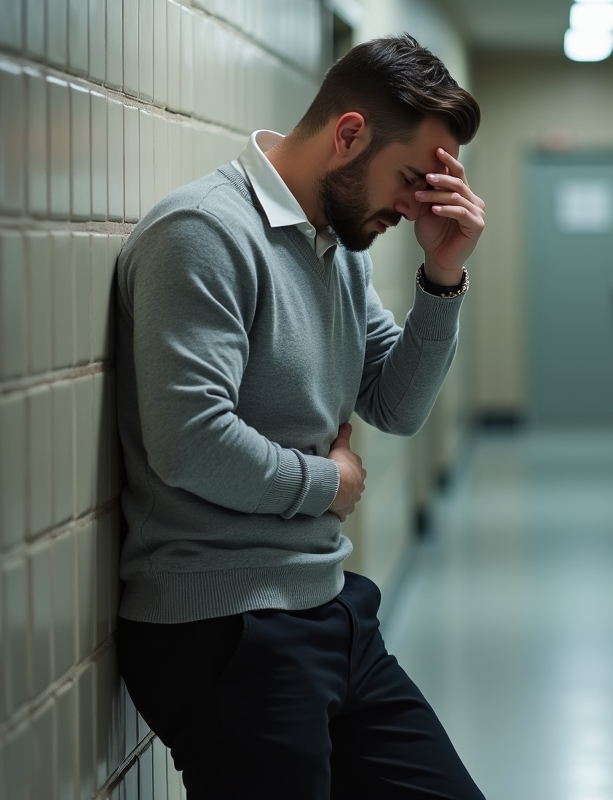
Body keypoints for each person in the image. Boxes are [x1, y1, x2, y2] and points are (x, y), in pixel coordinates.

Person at [113, 35, 486, 799]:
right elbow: (188, 444)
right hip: (225, 625)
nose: (415, 204)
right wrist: (330, 483)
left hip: (325, 606)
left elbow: (395, 403)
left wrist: (442, 276)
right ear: (348, 135)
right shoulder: (204, 234)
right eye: (412, 178)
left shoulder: (337, 248)